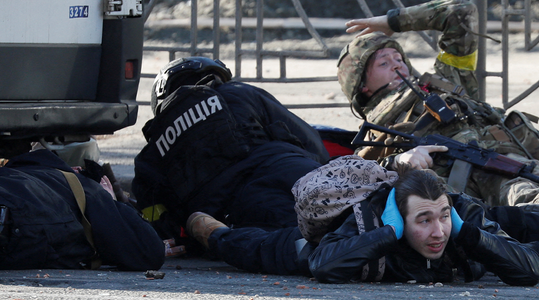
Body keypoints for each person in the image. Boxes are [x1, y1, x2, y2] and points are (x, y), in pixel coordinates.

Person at [337, 0, 539, 210]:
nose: (397, 64)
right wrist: (401, 160)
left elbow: (459, 11)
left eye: (399, 57)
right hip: (452, 197)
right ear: (362, 86)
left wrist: (393, 22)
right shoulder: (375, 129)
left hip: (509, 168)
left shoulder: (447, 78)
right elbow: (359, 178)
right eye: (383, 63)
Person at [132, 57, 330, 275]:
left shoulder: (151, 153)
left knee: (315, 245)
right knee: (350, 215)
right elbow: (314, 145)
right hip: (294, 169)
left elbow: (159, 224)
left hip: (244, 208)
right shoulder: (239, 93)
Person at [308, 164, 539, 284]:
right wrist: (389, 233)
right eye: (423, 221)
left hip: (483, 222)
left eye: (440, 219)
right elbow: (323, 265)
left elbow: (526, 263)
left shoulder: (459, 217)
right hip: (494, 246)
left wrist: (463, 228)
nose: (437, 232)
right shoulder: (368, 223)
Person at [0, 142, 165, 271]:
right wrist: (110, 201)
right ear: (77, 169)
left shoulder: (28, 169)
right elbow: (150, 252)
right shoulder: (89, 192)